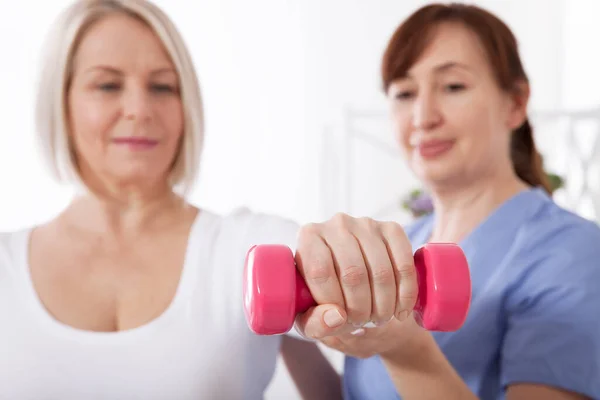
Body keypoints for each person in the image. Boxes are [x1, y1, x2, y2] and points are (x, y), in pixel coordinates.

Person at [0, 1, 422, 399]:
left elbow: (313, 262)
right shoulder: (7, 265)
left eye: (163, 87)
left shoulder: (246, 246)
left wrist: (349, 255)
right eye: (108, 85)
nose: (139, 108)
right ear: (61, 102)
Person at [282, 3, 600, 400]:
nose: (422, 116)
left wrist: (406, 351)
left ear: (516, 104)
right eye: (404, 93)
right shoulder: (398, 248)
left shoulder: (575, 253)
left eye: (453, 87)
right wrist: (287, 335)